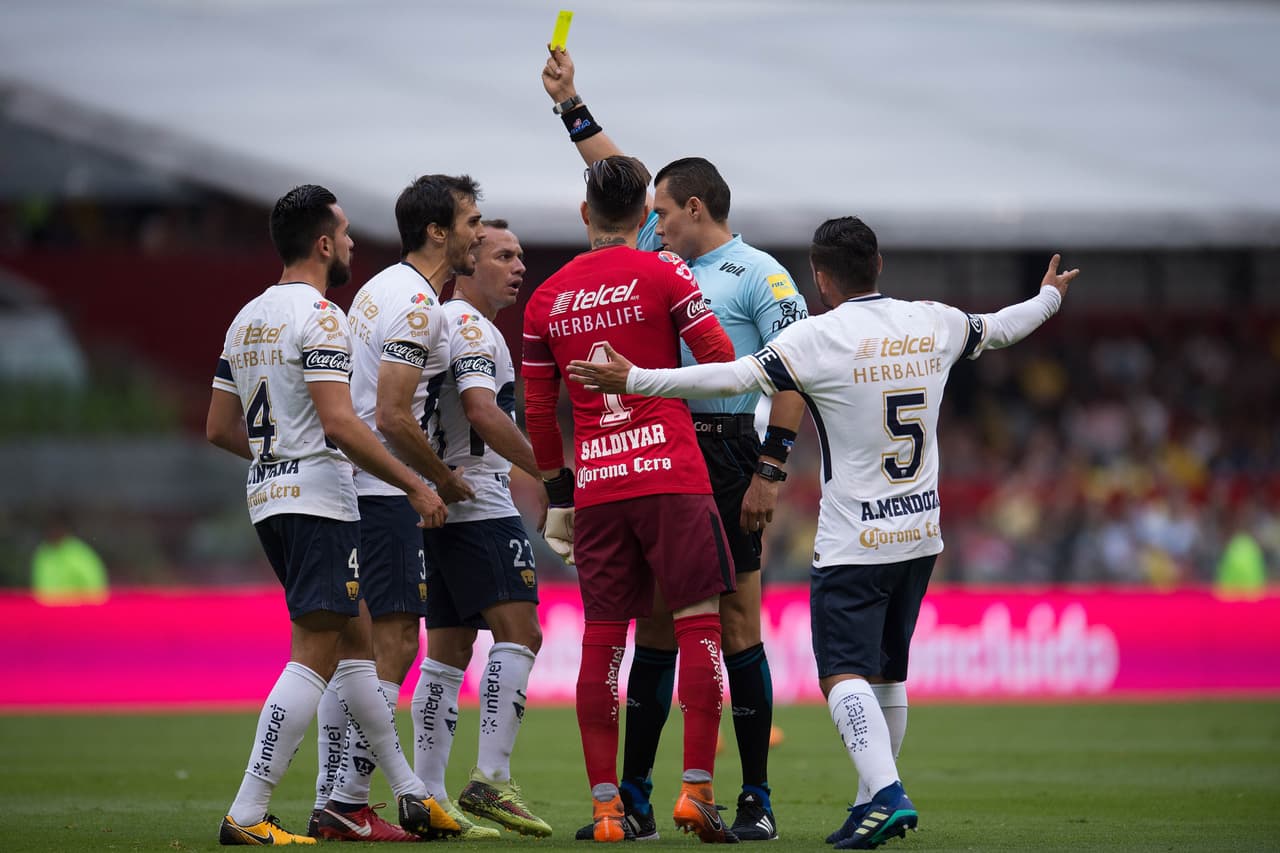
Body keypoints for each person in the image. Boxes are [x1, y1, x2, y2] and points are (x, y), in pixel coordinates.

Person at [567, 216, 1079, 850]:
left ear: (821, 277)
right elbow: (1003, 327)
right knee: (889, 673)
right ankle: (869, 797)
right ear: (880, 265)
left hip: (855, 541)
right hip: (921, 532)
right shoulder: (936, 320)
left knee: (842, 673)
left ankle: (887, 795)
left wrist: (638, 381)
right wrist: (1049, 297)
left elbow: (730, 377)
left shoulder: (818, 337)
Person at [542, 47, 807, 841]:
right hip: (654, 452)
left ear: (693, 208)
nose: (652, 218)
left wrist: (771, 467)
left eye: (665, 207)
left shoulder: (759, 274)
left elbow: (794, 372)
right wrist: (570, 106)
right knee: (656, 628)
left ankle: (754, 793)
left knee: (735, 625)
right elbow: (613, 185)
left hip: (726, 454)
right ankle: (639, 796)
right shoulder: (656, 260)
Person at [206, 184, 460, 845]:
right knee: (316, 650)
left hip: (270, 497)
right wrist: (415, 483)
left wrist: (277, 456)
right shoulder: (320, 317)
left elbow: (217, 426)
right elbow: (343, 423)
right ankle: (247, 811)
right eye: (345, 233)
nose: (351, 243)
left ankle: (405, 790)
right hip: (319, 502)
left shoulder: (245, 318)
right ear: (323, 243)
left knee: (355, 644)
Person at [522, 155, 739, 843]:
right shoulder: (666, 270)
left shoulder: (545, 299)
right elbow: (723, 360)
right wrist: (653, 376)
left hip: (599, 486)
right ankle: (696, 792)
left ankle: (608, 808)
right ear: (646, 214)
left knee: (603, 638)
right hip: (672, 473)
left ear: (585, 213)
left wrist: (560, 496)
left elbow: (536, 413)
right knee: (700, 621)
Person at [306, 173, 483, 842]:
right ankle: (348, 799)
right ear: (438, 230)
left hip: (356, 485)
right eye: (471, 221)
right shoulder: (416, 304)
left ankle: (336, 795)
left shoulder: (383, 287)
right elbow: (391, 413)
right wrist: (436, 479)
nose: (478, 231)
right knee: (393, 640)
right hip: (378, 491)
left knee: (356, 649)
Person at [416, 219, 553, 837]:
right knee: (520, 631)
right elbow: (480, 409)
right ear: (468, 264)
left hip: (440, 502)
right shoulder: (471, 327)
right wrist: (552, 474)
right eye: (503, 255)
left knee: (446, 653)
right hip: (478, 499)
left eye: (521, 255)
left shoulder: (438, 321)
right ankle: (491, 779)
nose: (519, 265)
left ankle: (428, 795)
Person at [30, 514, 108, 606]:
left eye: (57, 528)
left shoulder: (79, 554)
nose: (53, 532)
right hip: (47, 613)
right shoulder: (43, 554)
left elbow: (96, 591)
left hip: (75, 613)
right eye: (50, 528)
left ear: (65, 529)